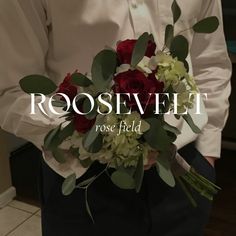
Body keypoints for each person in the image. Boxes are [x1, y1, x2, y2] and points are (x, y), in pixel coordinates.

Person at [0, 0, 231, 235]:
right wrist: (94, 135)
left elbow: (210, 61)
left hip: (182, 170)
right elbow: (12, 91)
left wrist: (207, 153)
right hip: (83, 179)